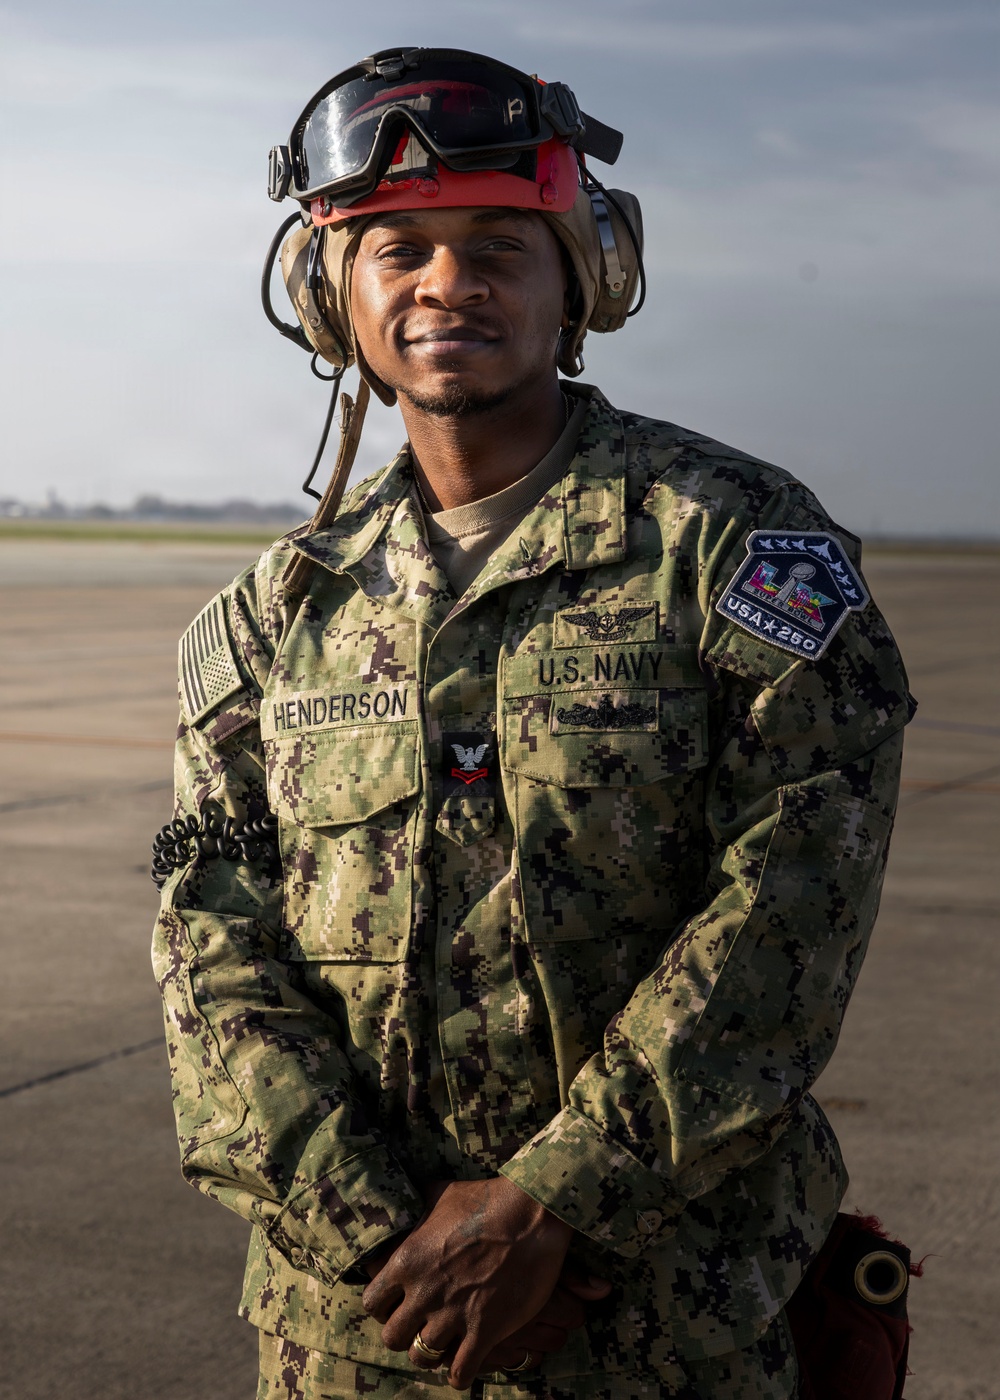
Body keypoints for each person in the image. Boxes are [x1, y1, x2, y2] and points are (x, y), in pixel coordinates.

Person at [151, 46, 914, 1400]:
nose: (450, 281)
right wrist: (391, 1248)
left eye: (501, 242)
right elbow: (211, 954)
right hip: (359, 1333)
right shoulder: (272, 617)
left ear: (584, 282)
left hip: (666, 1335)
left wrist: (553, 1206)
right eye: (399, 251)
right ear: (333, 301)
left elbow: (791, 911)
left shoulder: (733, 549)